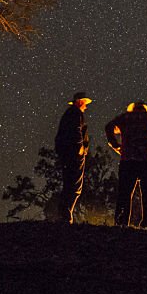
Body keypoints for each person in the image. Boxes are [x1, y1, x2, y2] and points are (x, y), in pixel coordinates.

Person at [105, 101, 147, 229]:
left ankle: (121, 223)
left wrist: (115, 145)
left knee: (124, 192)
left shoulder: (125, 118)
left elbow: (108, 127)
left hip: (128, 159)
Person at [54, 91, 91, 223]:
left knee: (69, 183)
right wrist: (80, 148)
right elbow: (76, 131)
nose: (86, 106)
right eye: (85, 103)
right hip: (73, 153)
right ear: (80, 102)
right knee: (74, 184)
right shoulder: (76, 113)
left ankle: (65, 214)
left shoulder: (70, 113)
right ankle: (66, 215)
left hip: (68, 152)